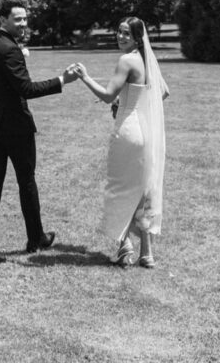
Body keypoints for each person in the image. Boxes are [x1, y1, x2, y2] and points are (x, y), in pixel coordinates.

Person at [0, 0, 78, 269]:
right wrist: (61, 80)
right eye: (17, 19)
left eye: (24, 19)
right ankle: (36, 238)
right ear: (4, 20)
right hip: (14, 128)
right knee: (26, 181)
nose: (23, 23)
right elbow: (27, 89)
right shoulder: (9, 48)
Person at [73, 16, 169, 268]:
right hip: (147, 133)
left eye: (127, 34)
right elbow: (163, 92)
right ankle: (146, 252)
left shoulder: (127, 60)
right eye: (119, 32)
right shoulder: (147, 60)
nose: (120, 37)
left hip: (128, 131)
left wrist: (84, 76)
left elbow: (106, 95)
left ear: (138, 37)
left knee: (121, 187)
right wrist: (132, 102)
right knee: (143, 190)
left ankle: (124, 244)